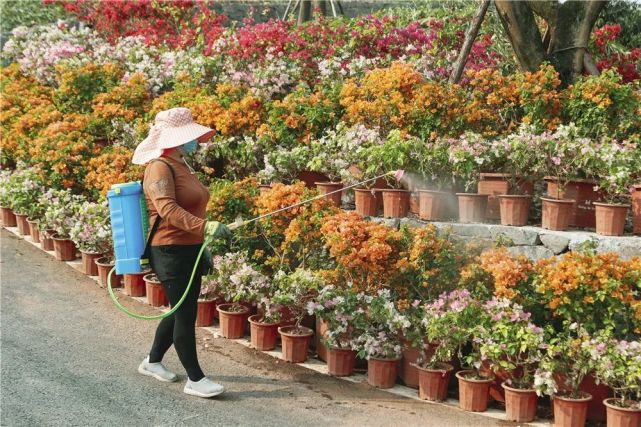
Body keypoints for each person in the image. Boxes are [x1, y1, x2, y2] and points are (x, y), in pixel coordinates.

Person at [132, 107, 231, 398]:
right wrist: (205, 227)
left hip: (190, 248)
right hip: (169, 249)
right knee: (185, 313)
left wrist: (203, 242)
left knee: (178, 310)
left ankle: (152, 362)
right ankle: (196, 380)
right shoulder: (159, 166)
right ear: (176, 138)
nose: (195, 141)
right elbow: (168, 209)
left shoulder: (182, 163)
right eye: (190, 136)